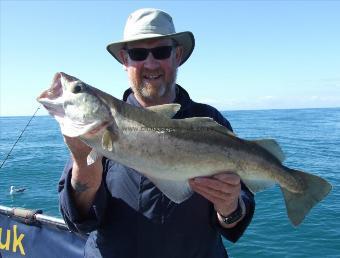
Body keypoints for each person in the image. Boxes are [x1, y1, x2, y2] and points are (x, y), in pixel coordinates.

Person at [59, 8, 255, 258]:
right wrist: (82, 162)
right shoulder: (99, 125)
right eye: (138, 53)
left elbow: (237, 218)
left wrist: (229, 207)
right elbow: (79, 221)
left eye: (161, 51)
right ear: (124, 60)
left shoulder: (211, 123)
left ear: (178, 55)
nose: (150, 63)